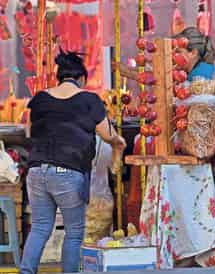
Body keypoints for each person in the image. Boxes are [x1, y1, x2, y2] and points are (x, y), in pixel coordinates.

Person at [20, 49, 126, 274]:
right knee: (74, 231)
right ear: (82, 79)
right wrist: (119, 141)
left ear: (59, 77)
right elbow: (107, 135)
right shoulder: (89, 100)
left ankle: (26, 272)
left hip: (37, 171)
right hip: (67, 171)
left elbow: (29, 132)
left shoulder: (39, 99)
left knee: (39, 228)